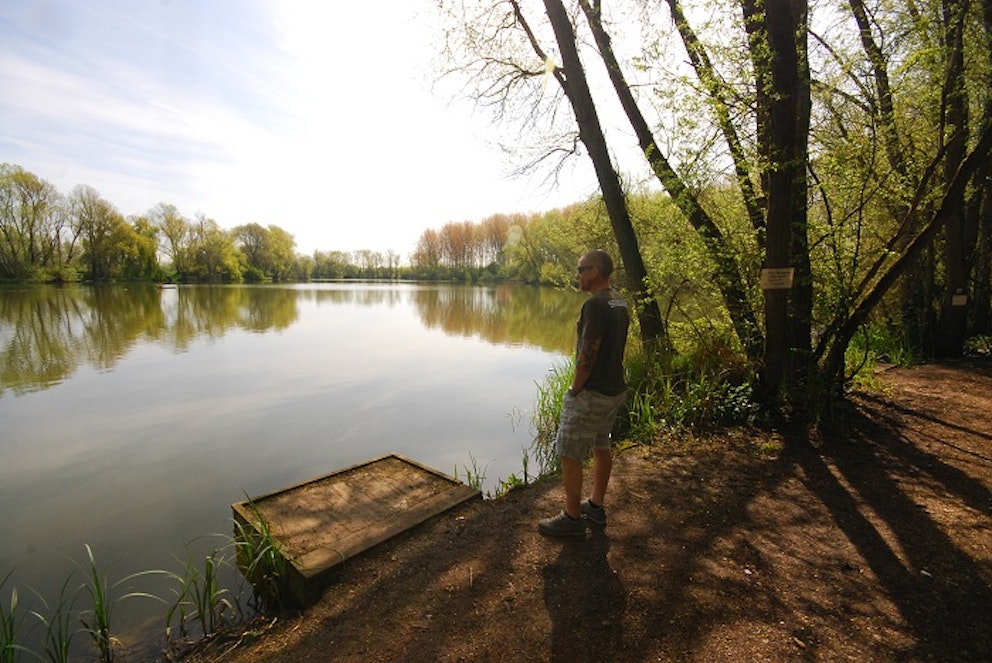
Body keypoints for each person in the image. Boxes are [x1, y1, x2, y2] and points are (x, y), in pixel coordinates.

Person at [538, 249, 629, 538]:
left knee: (568, 452)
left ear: (595, 271)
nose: (577, 275)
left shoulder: (595, 306)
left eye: (580, 269)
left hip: (592, 393)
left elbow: (588, 355)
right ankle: (596, 506)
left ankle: (572, 519)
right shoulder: (619, 301)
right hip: (615, 388)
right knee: (602, 445)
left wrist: (574, 389)